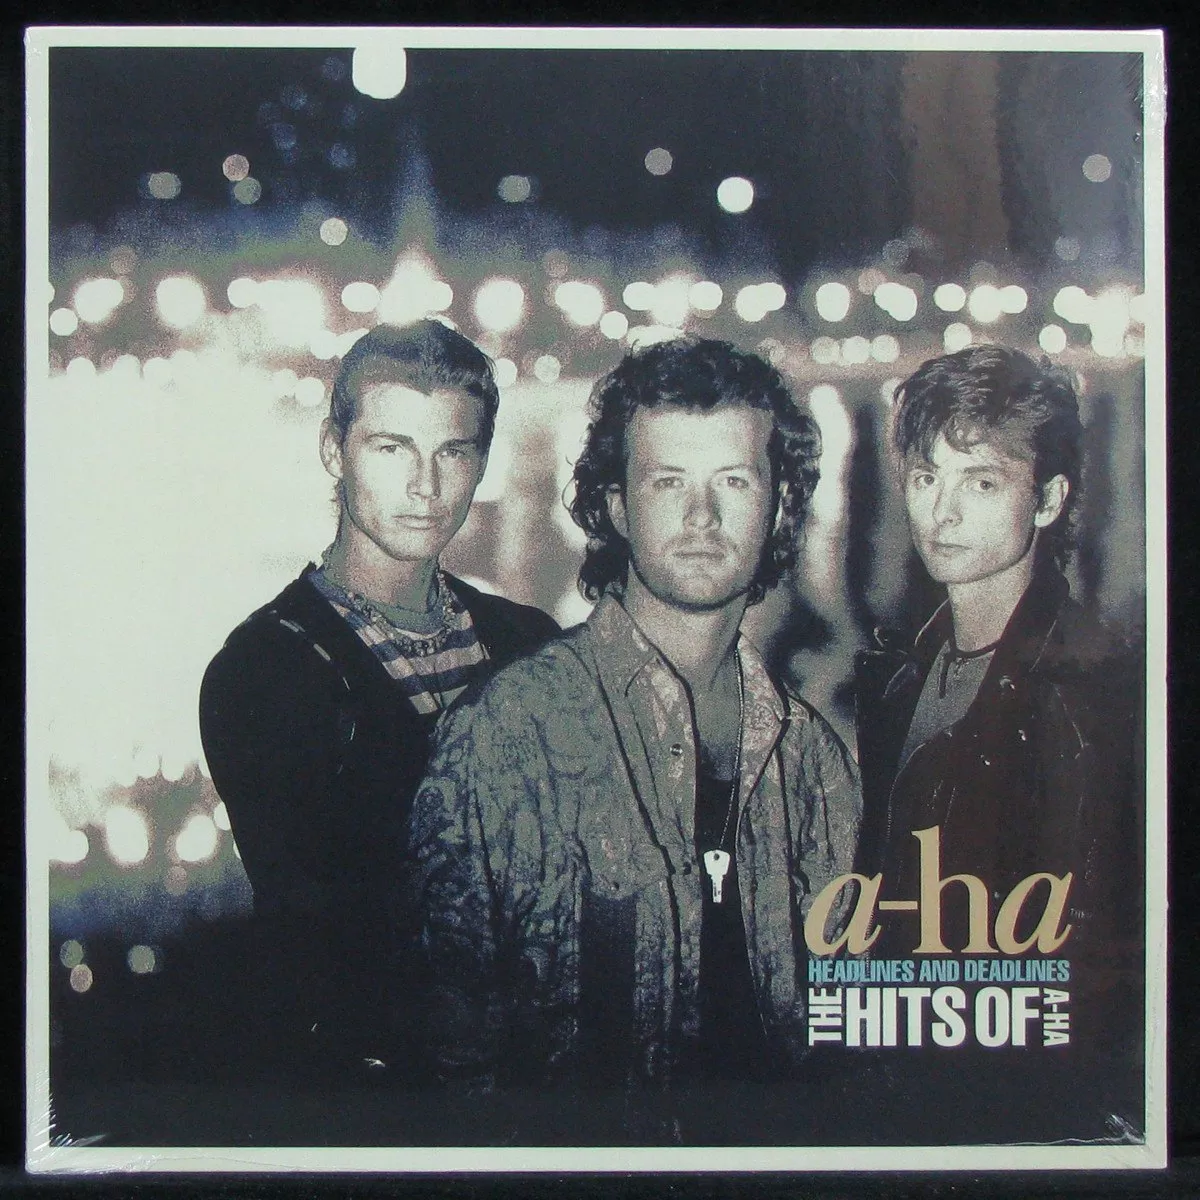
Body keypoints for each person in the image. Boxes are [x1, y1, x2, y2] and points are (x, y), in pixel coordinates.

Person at [409, 337, 861, 1144]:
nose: (701, 517)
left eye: (734, 481)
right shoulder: (510, 736)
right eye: (667, 482)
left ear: (780, 506)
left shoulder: (813, 763)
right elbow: (447, 1060)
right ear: (617, 507)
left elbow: (842, 1039)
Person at [199, 319, 559, 1083]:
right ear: (335, 451)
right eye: (392, 448)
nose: (425, 486)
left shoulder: (527, 640)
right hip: (377, 1089)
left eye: (452, 451)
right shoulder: (265, 668)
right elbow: (322, 933)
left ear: (481, 462)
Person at [854, 344, 1143, 1141]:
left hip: (1012, 1114)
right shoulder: (902, 676)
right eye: (926, 477)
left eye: (981, 482)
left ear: (1047, 500)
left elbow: (1092, 972)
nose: (941, 513)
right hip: (915, 1097)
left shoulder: (1087, 695)